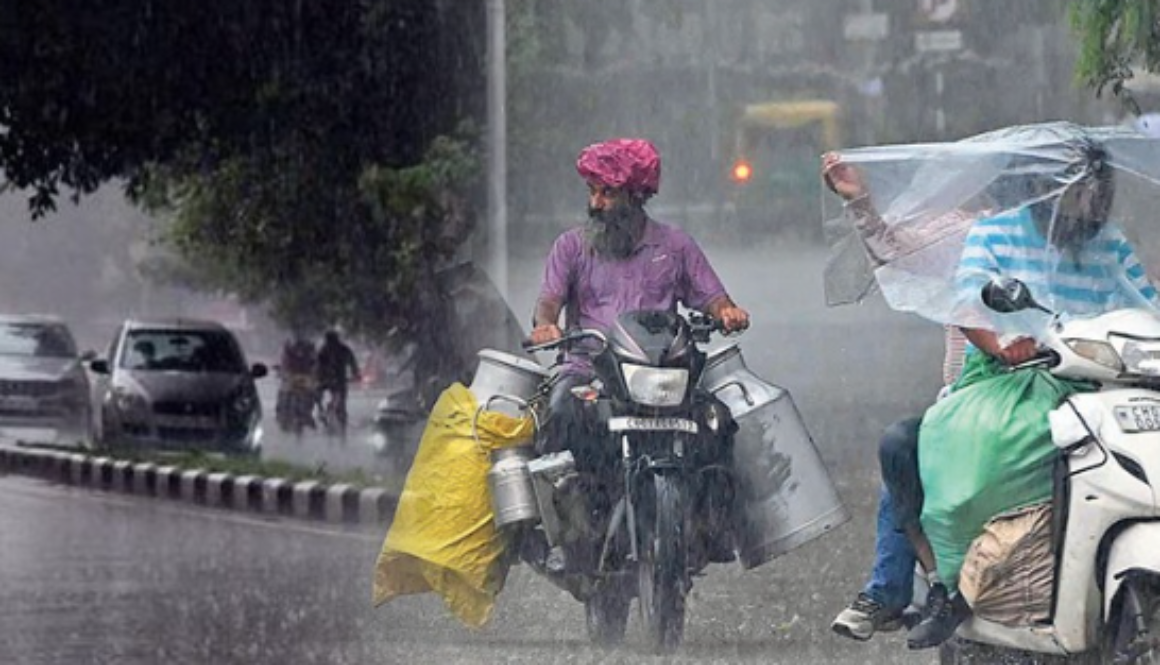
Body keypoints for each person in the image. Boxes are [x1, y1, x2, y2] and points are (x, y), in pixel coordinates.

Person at [905, 139, 1160, 649]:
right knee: (978, 459)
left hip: (1100, 382)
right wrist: (1003, 346)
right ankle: (957, 586)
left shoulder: (1108, 242)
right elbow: (970, 303)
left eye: (1095, 187)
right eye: (1077, 187)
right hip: (1010, 379)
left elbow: (1145, 303)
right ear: (1045, 187)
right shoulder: (996, 231)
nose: (1089, 199)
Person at [528, 137, 750, 567]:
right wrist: (545, 327)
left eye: (606, 192)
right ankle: (570, 527)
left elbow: (713, 298)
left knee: (718, 422)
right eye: (592, 191)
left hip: (661, 375)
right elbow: (548, 305)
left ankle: (711, 527)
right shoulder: (571, 247)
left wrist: (728, 312)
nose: (596, 202)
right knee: (561, 413)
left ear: (636, 195)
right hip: (589, 371)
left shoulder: (676, 246)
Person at [822, 152, 971, 641]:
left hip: (1065, 392)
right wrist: (860, 202)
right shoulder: (975, 236)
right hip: (974, 398)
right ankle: (894, 589)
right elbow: (892, 249)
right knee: (902, 452)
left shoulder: (1098, 248)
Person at [315, 329, 360, 435]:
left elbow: (317, 366)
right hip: (336, 381)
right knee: (339, 404)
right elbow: (353, 363)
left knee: (320, 396)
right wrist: (356, 375)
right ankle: (323, 412)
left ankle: (322, 411)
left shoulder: (325, 349)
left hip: (332, 381)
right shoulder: (341, 349)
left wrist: (356, 374)